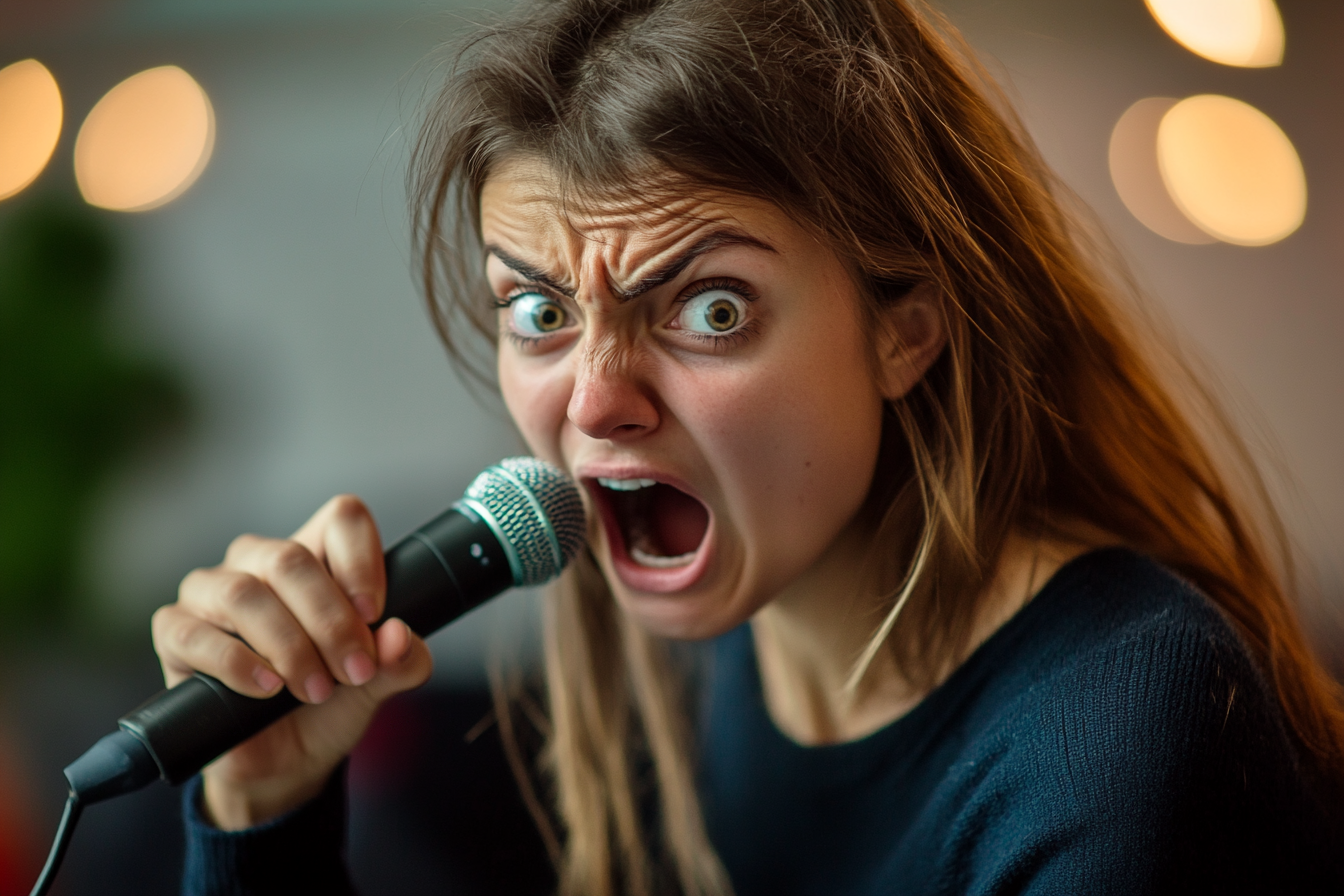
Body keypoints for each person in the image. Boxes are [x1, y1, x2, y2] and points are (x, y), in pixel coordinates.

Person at [155, 0, 1344, 893]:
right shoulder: (693, 675)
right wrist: (265, 808)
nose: (597, 401)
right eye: (539, 312)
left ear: (906, 333)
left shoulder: (1118, 734)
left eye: (711, 308)